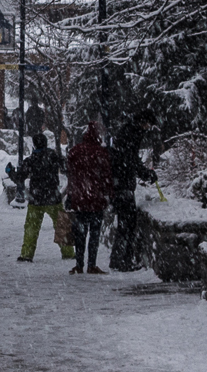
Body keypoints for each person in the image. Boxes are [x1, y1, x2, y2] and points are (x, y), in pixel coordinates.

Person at [109, 110, 161, 271]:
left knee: (125, 224)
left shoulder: (129, 131)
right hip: (122, 183)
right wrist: (145, 173)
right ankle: (123, 261)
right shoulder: (131, 133)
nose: (148, 128)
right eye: (148, 124)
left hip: (119, 182)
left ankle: (118, 259)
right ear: (143, 121)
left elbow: (129, 158)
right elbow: (129, 159)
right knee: (128, 224)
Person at [11, 132, 68, 263]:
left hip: (36, 199)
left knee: (31, 227)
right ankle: (68, 251)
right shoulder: (53, 156)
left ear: (34, 145)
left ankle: (26, 254)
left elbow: (19, 178)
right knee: (62, 224)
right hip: (53, 197)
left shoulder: (31, 160)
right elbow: (66, 167)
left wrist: (10, 172)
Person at [66, 122, 112, 274]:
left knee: (80, 232)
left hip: (80, 198)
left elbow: (71, 173)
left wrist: (72, 193)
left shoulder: (75, 151)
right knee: (94, 232)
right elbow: (106, 176)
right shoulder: (101, 153)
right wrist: (107, 193)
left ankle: (79, 264)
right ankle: (91, 264)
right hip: (96, 199)